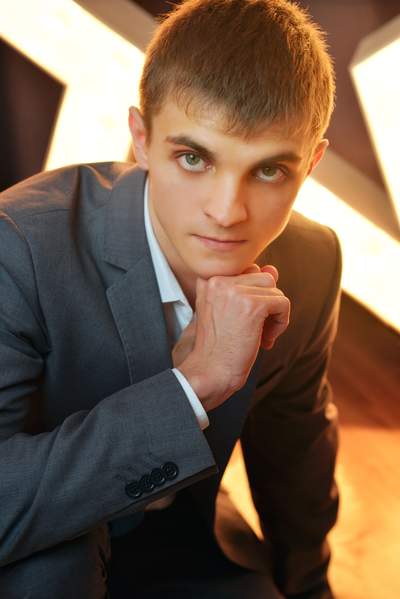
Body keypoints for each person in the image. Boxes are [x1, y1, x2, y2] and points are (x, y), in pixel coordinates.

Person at [0, 0, 342, 597]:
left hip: (189, 545)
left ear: (310, 163)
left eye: (269, 171)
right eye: (193, 158)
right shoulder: (19, 245)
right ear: (141, 139)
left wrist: (310, 588)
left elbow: (296, 457)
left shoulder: (312, 261)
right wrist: (194, 387)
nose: (227, 212)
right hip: (40, 547)